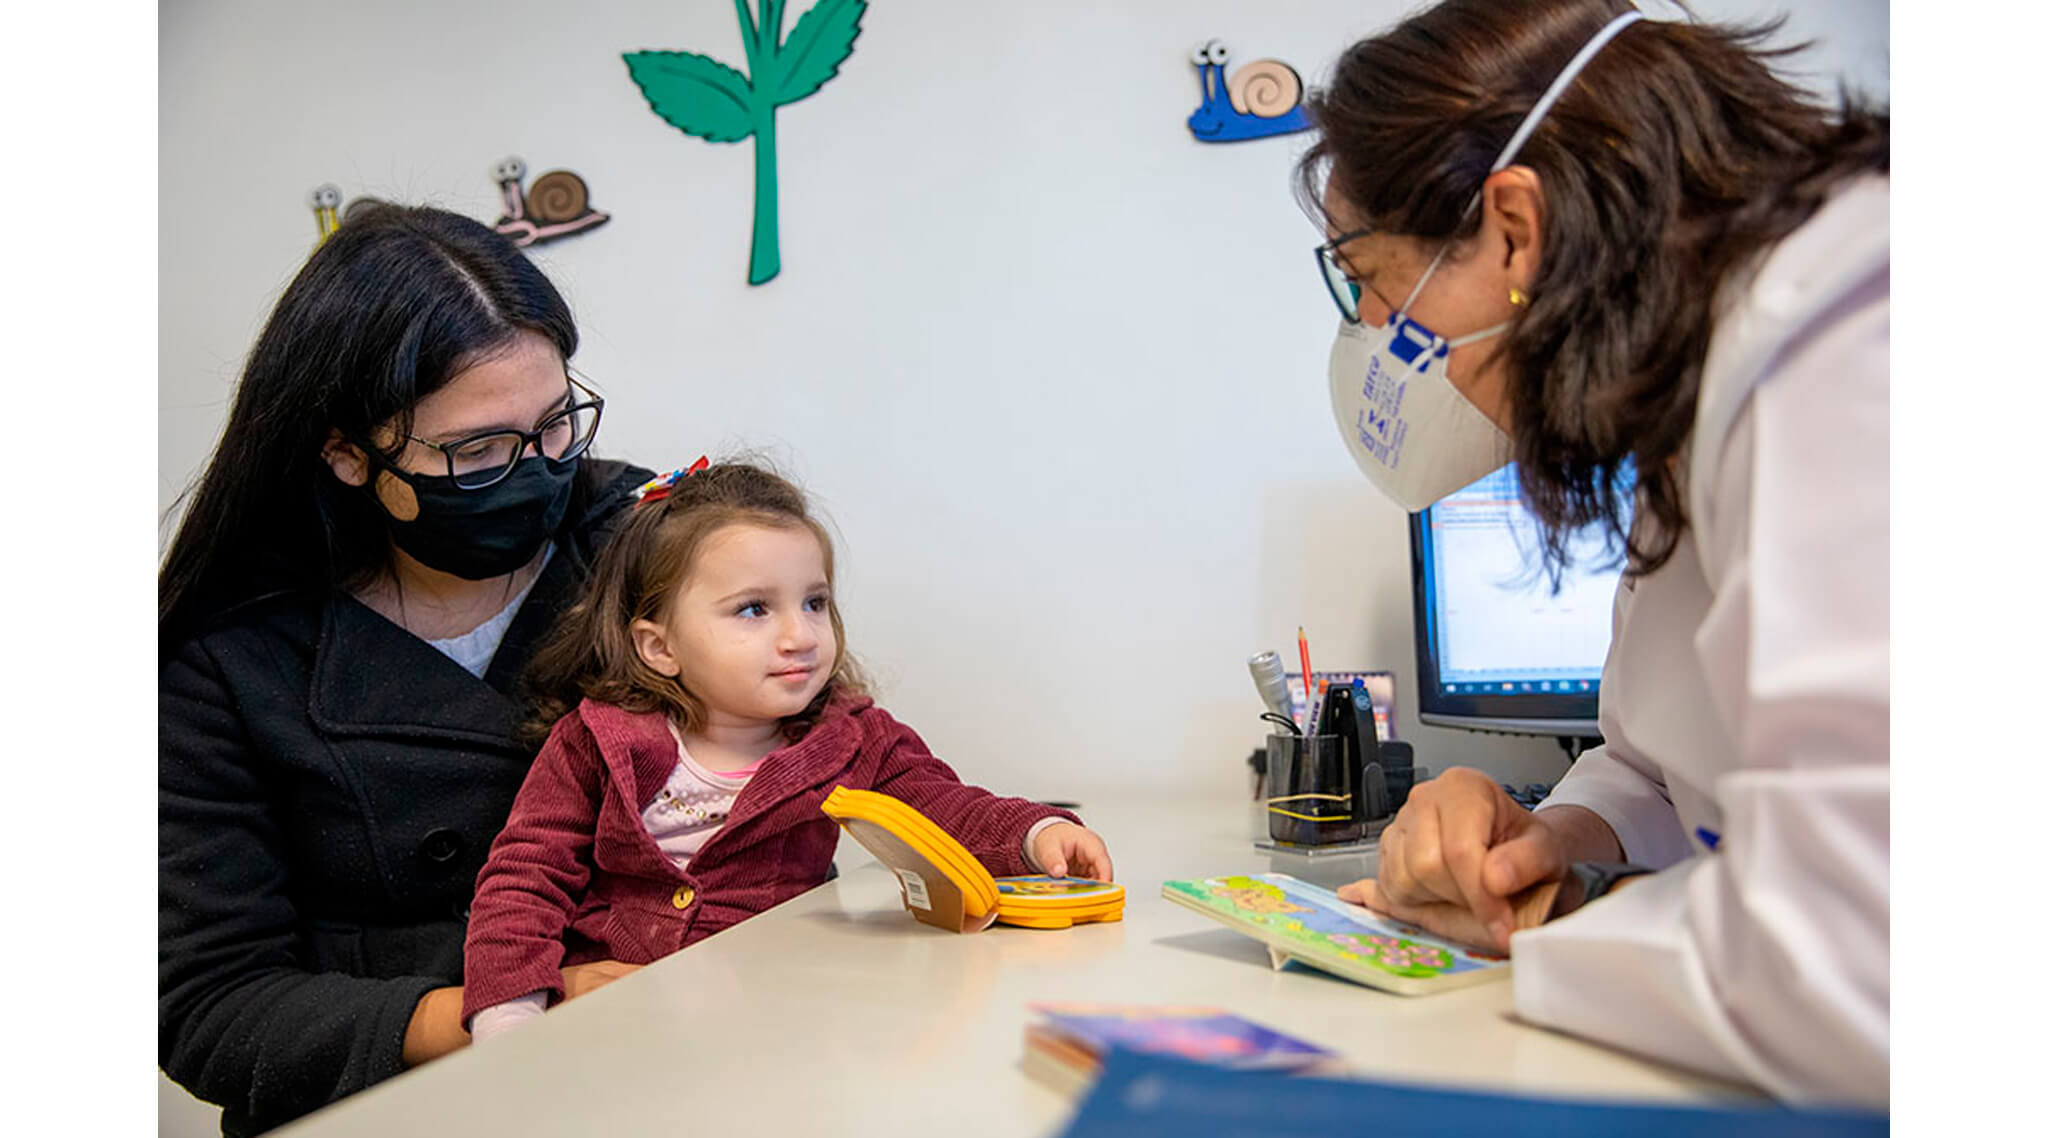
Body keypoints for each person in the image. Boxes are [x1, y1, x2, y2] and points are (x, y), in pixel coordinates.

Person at [1299, 0, 1887, 1108]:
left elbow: (1867, 963)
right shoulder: (1696, 397)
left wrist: (1556, 923)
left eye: (1368, 277)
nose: (1375, 328)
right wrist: (1549, 839)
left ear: (1514, 230)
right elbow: (1667, 762)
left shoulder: (1849, 349)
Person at [159, 205, 657, 1135]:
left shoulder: (650, 543)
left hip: (677, 1060)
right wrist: (509, 1014)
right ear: (348, 453)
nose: (538, 471)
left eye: (556, 425)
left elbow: (807, 772)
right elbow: (209, 1006)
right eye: (477, 451)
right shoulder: (229, 657)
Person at [460, 460, 1115, 1040]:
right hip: (614, 1026)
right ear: (658, 646)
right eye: (753, 610)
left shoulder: (851, 737)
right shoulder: (595, 739)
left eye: (815, 602)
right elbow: (526, 878)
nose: (800, 635)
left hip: (779, 1022)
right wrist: (510, 1015)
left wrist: (1036, 833)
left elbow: (944, 806)